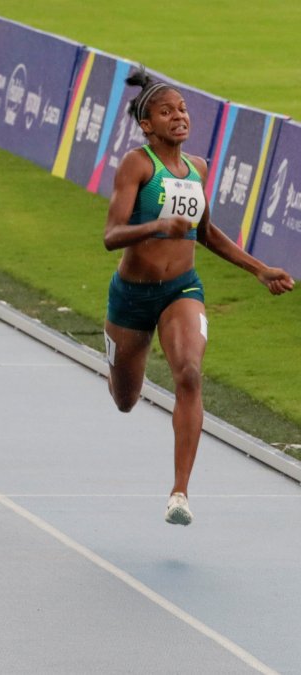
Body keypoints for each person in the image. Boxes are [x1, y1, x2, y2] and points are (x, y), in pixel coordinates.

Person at [104, 70, 293, 526]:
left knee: (189, 373)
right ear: (147, 125)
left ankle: (179, 494)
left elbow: (205, 234)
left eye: (183, 109)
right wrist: (155, 227)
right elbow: (111, 236)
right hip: (132, 296)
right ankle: (116, 354)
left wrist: (258, 268)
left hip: (181, 289)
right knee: (125, 400)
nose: (179, 117)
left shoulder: (199, 168)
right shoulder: (137, 165)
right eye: (166, 112)